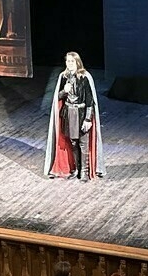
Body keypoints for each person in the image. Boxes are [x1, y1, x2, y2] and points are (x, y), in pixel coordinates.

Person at [44, 51, 105, 180]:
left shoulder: (85, 77)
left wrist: (88, 119)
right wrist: (63, 91)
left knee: (83, 143)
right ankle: (76, 169)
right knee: (73, 142)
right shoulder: (63, 76)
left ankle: (84, 171)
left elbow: (90, 100)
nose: (69, 64)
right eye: (67, 61)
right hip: (69, 113)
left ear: (77, 62)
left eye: (72, 61)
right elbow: (58, 97)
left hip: (81, 113)